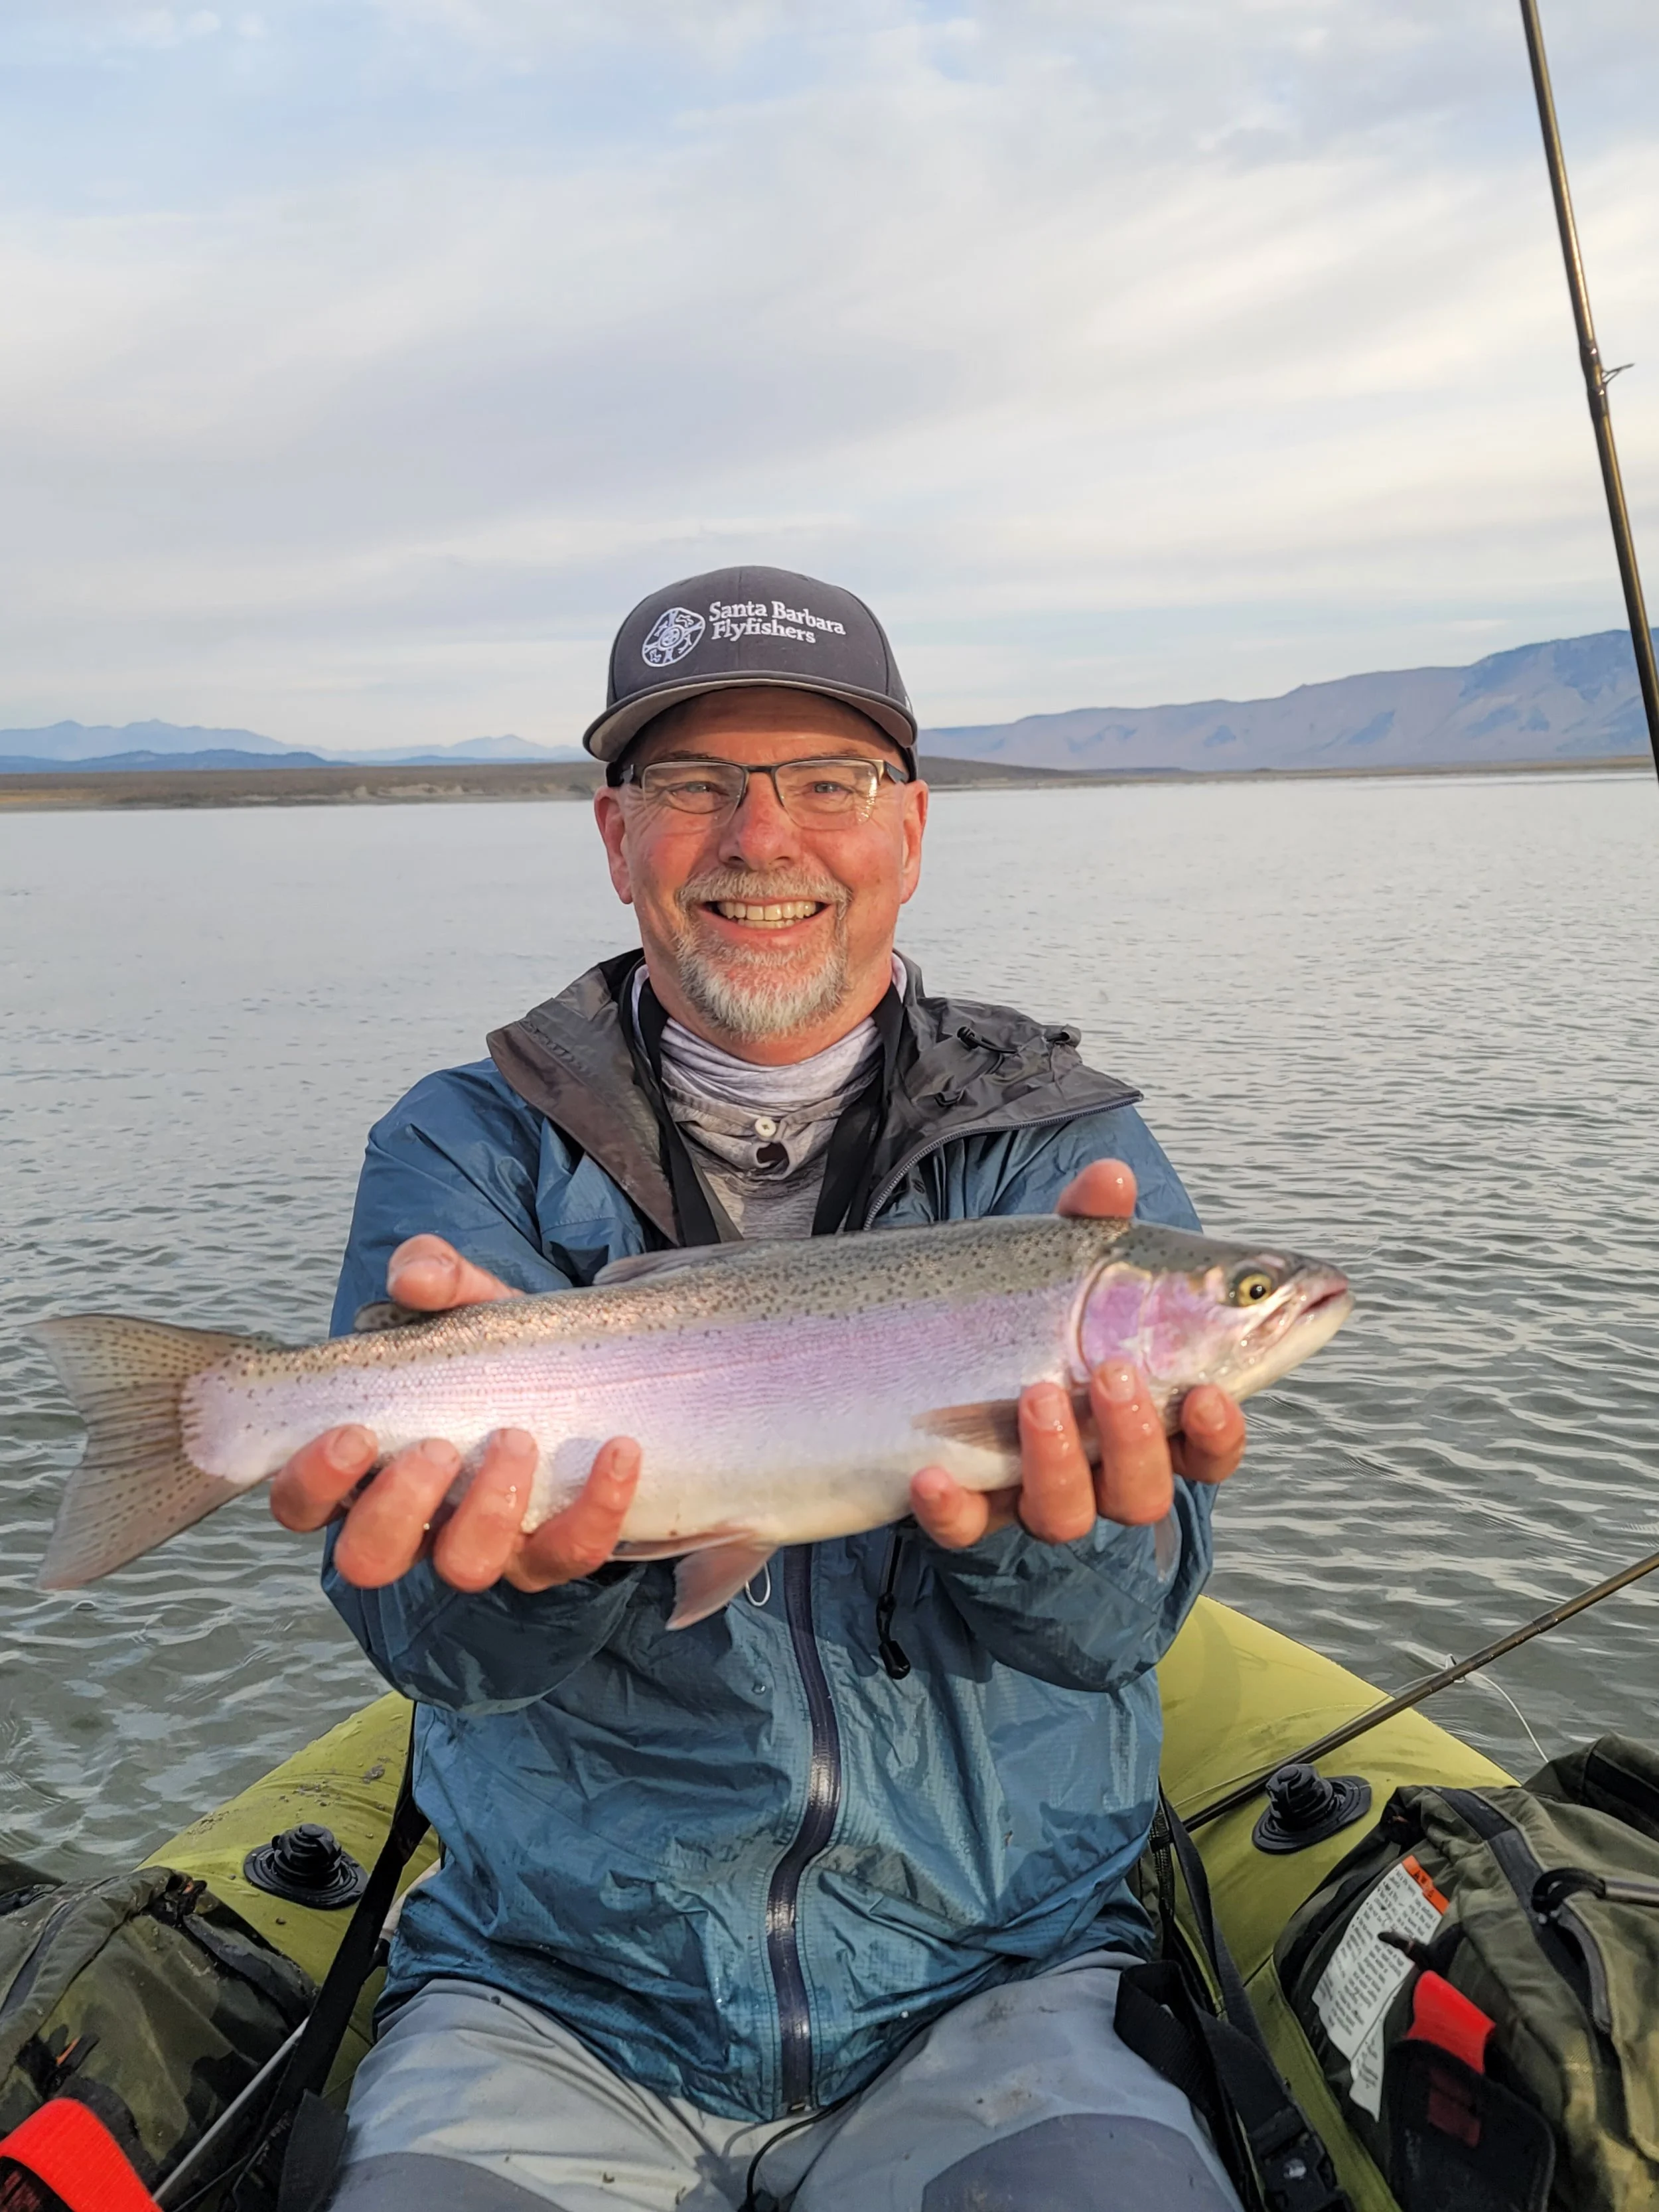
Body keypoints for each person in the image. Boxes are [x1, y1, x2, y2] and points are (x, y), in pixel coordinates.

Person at [271, 565, 1251, 2212]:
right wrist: (534, 1578)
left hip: (999, 1981)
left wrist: (1042, 1533)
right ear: (614, 834)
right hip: (546, 1995)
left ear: (910, 828)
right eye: (694, 785)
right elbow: (423, 1645)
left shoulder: (1066, 1156)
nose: (761, 835)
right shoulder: (455, 1145)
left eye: (824, 783)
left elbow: (1112, 1635)